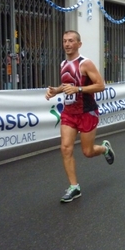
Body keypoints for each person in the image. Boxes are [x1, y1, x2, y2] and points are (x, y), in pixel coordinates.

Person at [45, 30, 115, 203]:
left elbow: (101, 86)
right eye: (64, 41)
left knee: (87, 151)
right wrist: (56, 90)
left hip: (87, 112)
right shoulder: (63, 63)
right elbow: (67, 84)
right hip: (69, 113)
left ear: (79, 44)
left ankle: (104, 148)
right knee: (65, 148)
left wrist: (79, 89)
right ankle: (74, 187)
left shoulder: (86, 64)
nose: (67, 44)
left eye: (71, 41)